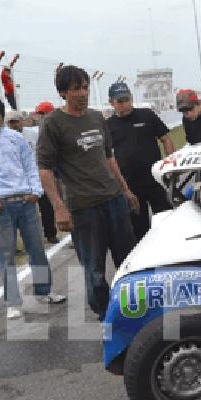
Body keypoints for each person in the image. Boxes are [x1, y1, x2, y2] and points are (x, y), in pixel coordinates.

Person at [37, 65, 142, 320]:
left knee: (128, 260)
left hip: (114, 200)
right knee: (94, 270)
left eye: (85, 87)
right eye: (75, 89)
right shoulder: (53, 123)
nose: (82, 93)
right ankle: (105, 314)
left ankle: (133, 308)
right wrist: (59, 208)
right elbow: (44, 169)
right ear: (63, 93)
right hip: (83, 207)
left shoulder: (96, 118)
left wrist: (126, 190)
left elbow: (108, 157)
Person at [0, 96, 67, 321]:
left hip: (25, 202)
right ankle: (12, 303)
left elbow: (30, 165)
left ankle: (44, 291)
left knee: (37, 249)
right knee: (5, 255)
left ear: (2, 115)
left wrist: (35, 192)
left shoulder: (15, 138)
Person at [105, 82, 177, 241]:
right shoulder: (108, 125)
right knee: (139, 229)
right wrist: (121, 186)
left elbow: (165, 139)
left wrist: (170, 165)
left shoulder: (147, 115)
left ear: (131, 98)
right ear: (111, 103)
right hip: (131, 185)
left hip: (155, 180)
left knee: (166, 220)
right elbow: (107, 157)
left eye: (126, 99)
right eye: (120, 101)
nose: (124, 104)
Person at [6, 110, 59, 244]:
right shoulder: (5, 138)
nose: (14, 125)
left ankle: (50, 234)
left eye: (16, 121)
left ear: (21, 121)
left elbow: (42, 151)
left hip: (37, 175)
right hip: (19, 179)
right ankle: (28, 239)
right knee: (23, 210)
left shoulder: (34, 134)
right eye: (11, 122)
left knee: (46, 206)